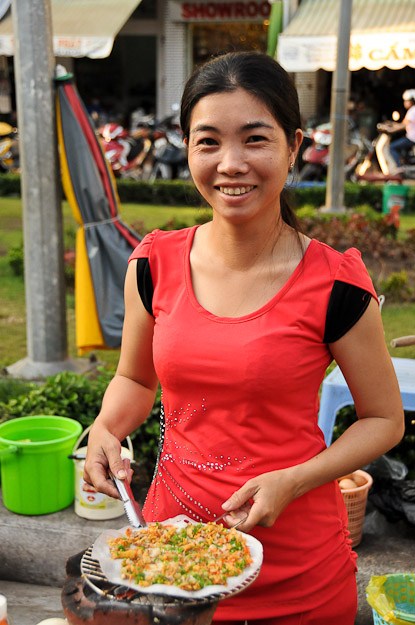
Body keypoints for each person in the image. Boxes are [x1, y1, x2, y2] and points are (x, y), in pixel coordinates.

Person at [84, 51, 404, 625]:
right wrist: (107, 428)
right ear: (187, 149)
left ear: (294, 145)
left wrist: (295, 480)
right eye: (208, 142)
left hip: (297, 570)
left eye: (255, 139)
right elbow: (135, 378)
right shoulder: (153, 263)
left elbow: (384, 417)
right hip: (169, 557)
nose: (231, 164)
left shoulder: (335, 284)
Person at [389, 89, 415, 171]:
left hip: (411, 138)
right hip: (410, 137)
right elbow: (403, 123)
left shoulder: (413, 110)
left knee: (392, 147)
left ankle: (399, 168)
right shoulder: (411, 110)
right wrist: (392, 125)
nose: (405, 103)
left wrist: (391, 130)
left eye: (407, 101)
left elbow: (403, 125)